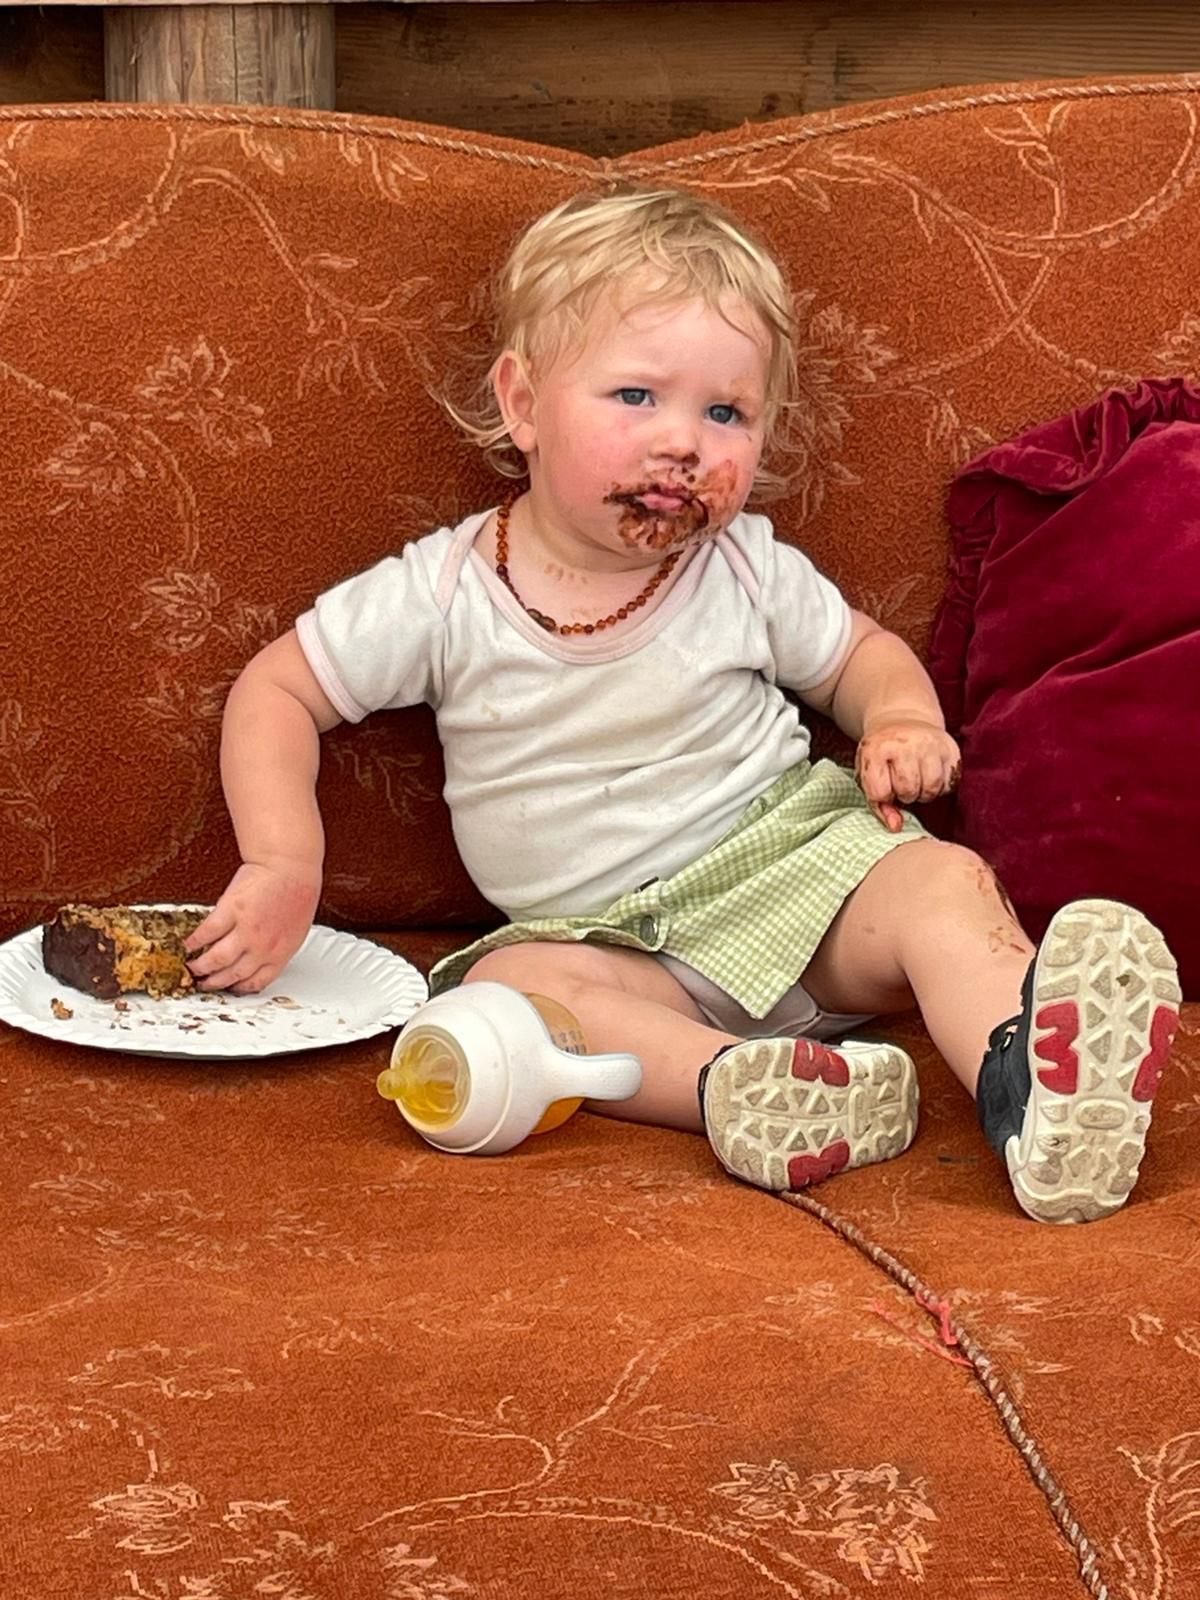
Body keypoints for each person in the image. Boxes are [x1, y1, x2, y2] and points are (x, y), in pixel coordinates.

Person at [185, 186, 1182, 1224]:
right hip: (616, 950)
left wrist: (901, 719)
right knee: (508, 990)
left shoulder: (742, 566)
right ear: (522, 403)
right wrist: (283, 864)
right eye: (635, 396)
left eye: (725, 414)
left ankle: (1029, 1087)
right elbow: (278, 689)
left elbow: (859, 655)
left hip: (800, 887)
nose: (683, 443)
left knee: (941, 883)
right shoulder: (442, 593)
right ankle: (749, 1089)